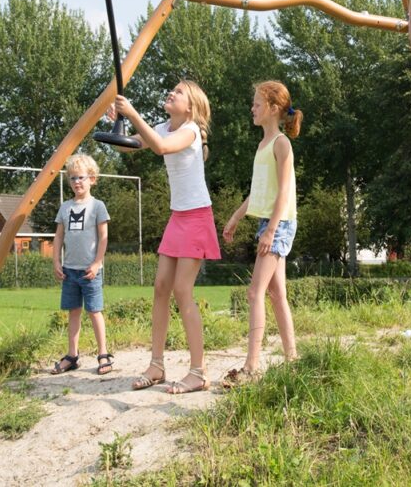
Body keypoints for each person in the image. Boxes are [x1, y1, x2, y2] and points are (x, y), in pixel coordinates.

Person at [111, 80, 219, 394]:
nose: (171, 93)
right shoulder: (162, 126)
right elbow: (127, 145)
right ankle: (156, 365)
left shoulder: (190, 131)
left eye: (179, 92)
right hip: (178, 216)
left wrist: (131, 112)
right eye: (171, 90)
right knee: (161, 288)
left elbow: (160, 148)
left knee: (183, 291)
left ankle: (198, 372)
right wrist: (116, 123)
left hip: (197, 216)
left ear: (191, 107)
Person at [221, 81, 302, 387]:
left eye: (256, 104)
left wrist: (270, 231)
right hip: (269, 221)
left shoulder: (282, 144)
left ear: (272, 108)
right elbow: (257, 193)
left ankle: (252, 367)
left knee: (255, 292)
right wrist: (235, 218)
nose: (252, 109)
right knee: (275, 293)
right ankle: (292, 358)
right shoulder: (262, 146)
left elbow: (284, 192)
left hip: (278, 223)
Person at [51, 153, 113, 376]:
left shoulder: (98, 206)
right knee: (73, 312)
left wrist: (97, 263)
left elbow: (104, 237)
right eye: (73, 178)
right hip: (70, 271)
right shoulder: (65, 207)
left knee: (94, 311)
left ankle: (103, 353)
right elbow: (58, 237)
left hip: (90, 272)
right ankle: (72, 355)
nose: (77, 182)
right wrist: (56, 260)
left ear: (92, 179)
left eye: (82, 178)